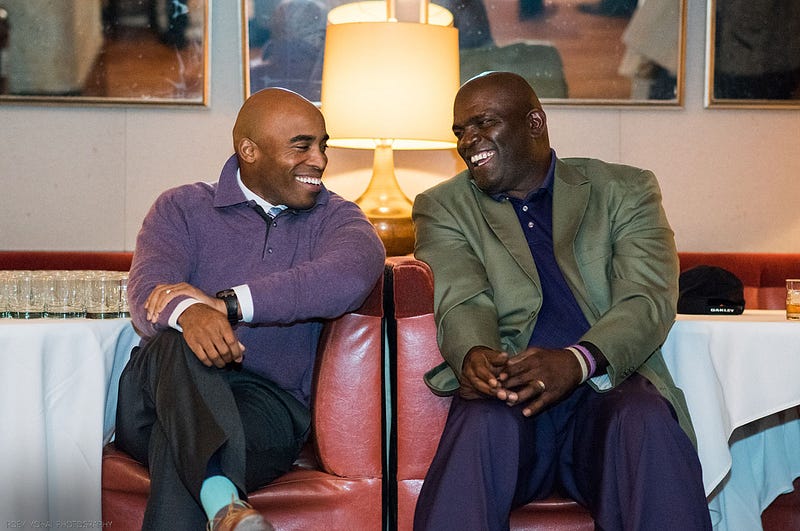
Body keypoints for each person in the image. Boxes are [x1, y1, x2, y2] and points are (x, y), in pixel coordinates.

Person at [411, 72, 711, 530]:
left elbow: (647, 296)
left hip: (605, 386)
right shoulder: (444, 206)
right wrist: (475, 354)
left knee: (643, 417)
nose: (468, 141)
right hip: (512, 391)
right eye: (460, 132)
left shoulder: (623, 190)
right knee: (481, 425)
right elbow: (463, 297)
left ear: (534, 122)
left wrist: (577, 360)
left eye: (483, 124)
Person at [115, 87, 386, 530]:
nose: (319, 160)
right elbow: (150, 293)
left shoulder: (338, 219)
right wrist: (192, 315)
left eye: (322, 146)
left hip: (266, 410)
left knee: (181, 440)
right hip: (156, 397)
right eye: (302, 146)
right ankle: (225, 503)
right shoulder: (181, 207)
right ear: (249, 150)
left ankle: (221, 500)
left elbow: (350, 276)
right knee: (176, 347)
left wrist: (227, 305)